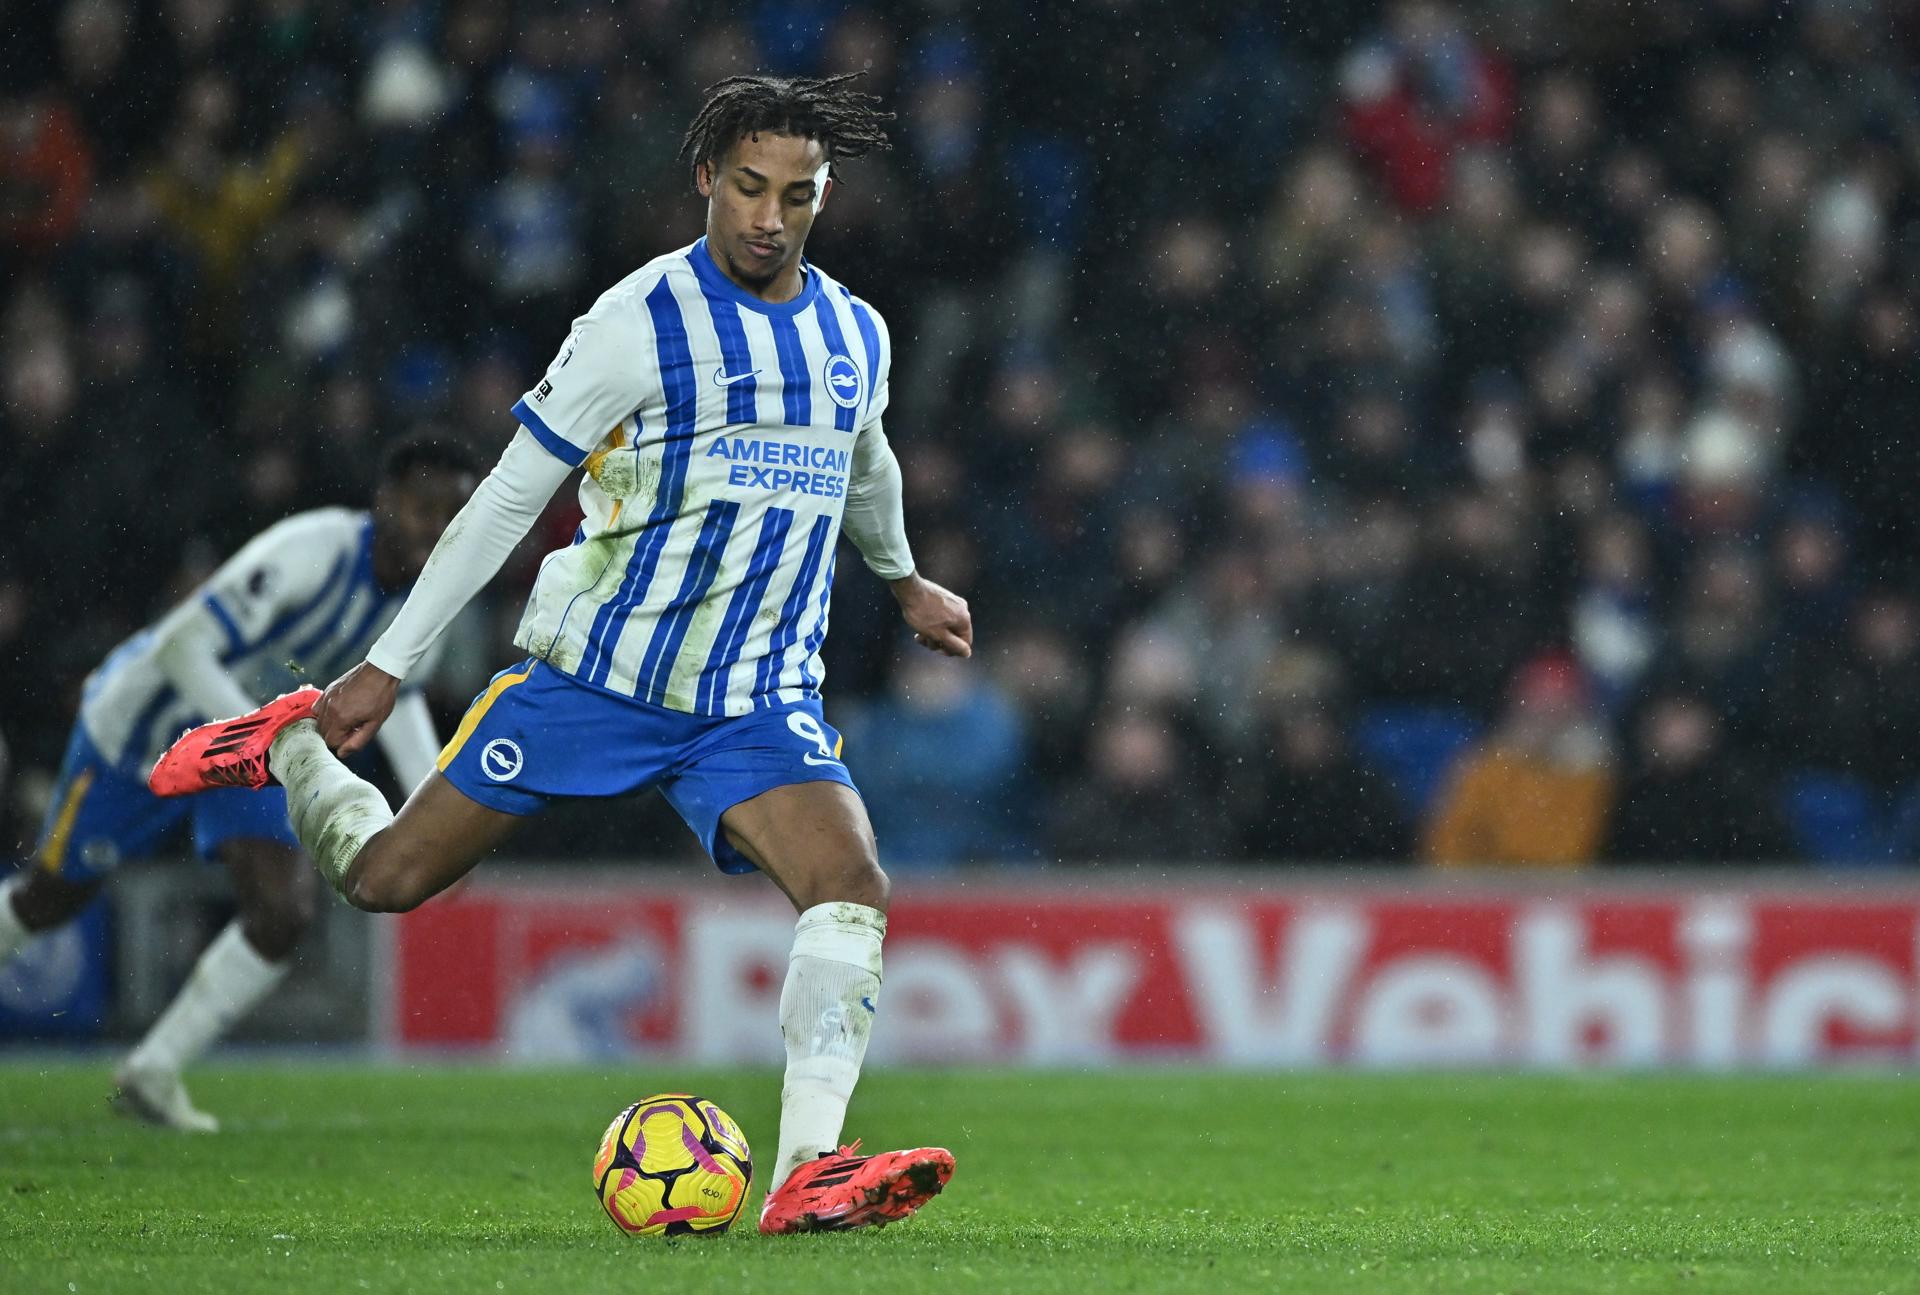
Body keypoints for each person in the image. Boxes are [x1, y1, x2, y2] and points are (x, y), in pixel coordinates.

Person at [150, 74, 969, 1234]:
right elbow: (499, 502)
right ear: (705, 178)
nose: (768, 219)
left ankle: (806, 1171)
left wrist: (902, 577)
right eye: (747, 188)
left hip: (751, 696)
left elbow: (867, 461)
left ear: (825, 195)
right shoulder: (636, 324)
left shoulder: (856, 331)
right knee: (384, 880)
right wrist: (385, 665)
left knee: (851, 885)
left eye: (797, 195)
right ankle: (285, 745)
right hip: (593, 678)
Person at [0, 434, 477, 1129]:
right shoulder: (312, 553)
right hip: (145, 731)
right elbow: (181, 642)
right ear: (383, 502)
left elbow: (397, 699)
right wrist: (262, 740)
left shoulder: (427, 601)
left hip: (250, 750)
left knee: (283, 913)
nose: (433, 527)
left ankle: (153, 1069)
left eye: (451, 513)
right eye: (420, 506)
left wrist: (438, 811)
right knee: (51, 898)